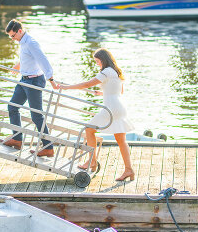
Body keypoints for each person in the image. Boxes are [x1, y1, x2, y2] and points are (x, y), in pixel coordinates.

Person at [51, 49, 135, 182]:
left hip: (111, 109)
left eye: (97, 61)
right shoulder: (116, 71)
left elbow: (87, 84)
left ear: (103, 60)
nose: (97, 64)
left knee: (89, 130)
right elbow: (120, 91)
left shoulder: (106, 72)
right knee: (121, 140)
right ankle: (128, 170)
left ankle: (92, 162)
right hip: (120, 107)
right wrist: (102, 93)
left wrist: (65, 87)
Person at [1, 19, 55, 157]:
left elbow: (43, 60)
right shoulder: (22, 42)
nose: (12, 39)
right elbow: (28, 57)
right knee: (12, 107)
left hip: (34, 81)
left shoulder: (31, 43)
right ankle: (17, 139)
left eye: (13, 36)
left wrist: (51, 80)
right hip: (24, 80)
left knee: (36, 115)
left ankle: (48, 147)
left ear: (20, 31)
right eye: (10, 37)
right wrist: (18, 66)